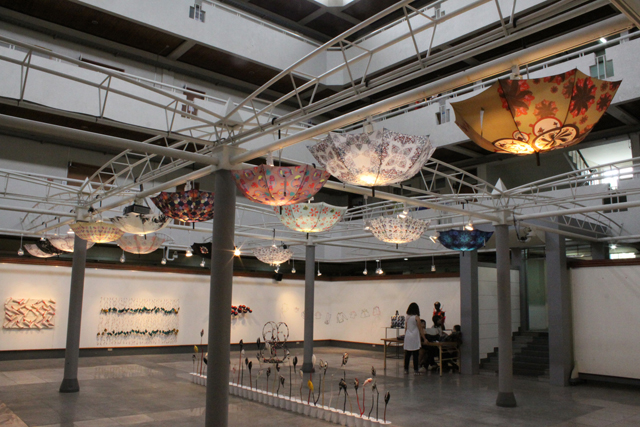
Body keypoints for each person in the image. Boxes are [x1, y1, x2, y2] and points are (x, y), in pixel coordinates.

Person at [404, 302, 427, 375]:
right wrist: (424, 338)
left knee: (407, 354)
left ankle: (406, 369)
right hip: (414, 336)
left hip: (408, 336)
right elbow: (420, 329)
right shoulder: (417, 318)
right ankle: (415, 370)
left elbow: (406, 328)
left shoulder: (407, 317)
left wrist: (405, 336)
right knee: (415, 354)